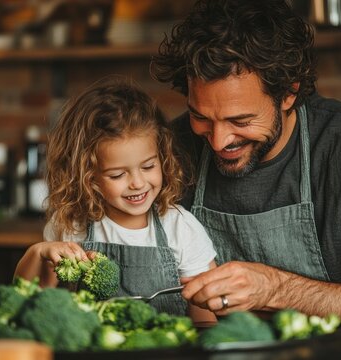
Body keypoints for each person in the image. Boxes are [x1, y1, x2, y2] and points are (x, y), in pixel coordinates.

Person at [150, 0, 341, 345]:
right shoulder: (166, 152)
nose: (220, 140)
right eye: (201, 117)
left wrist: (275, 290)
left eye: (241, 121)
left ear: (288, 93)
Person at [14, 78, 217, 322]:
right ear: (88, 176)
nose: (137, 182)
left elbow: (205, 320)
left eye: (148, 166)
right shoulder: (70, 226)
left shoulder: (181, 228)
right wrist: (39, 253)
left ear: (163, 159)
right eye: (118, 174)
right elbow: (26, 300)